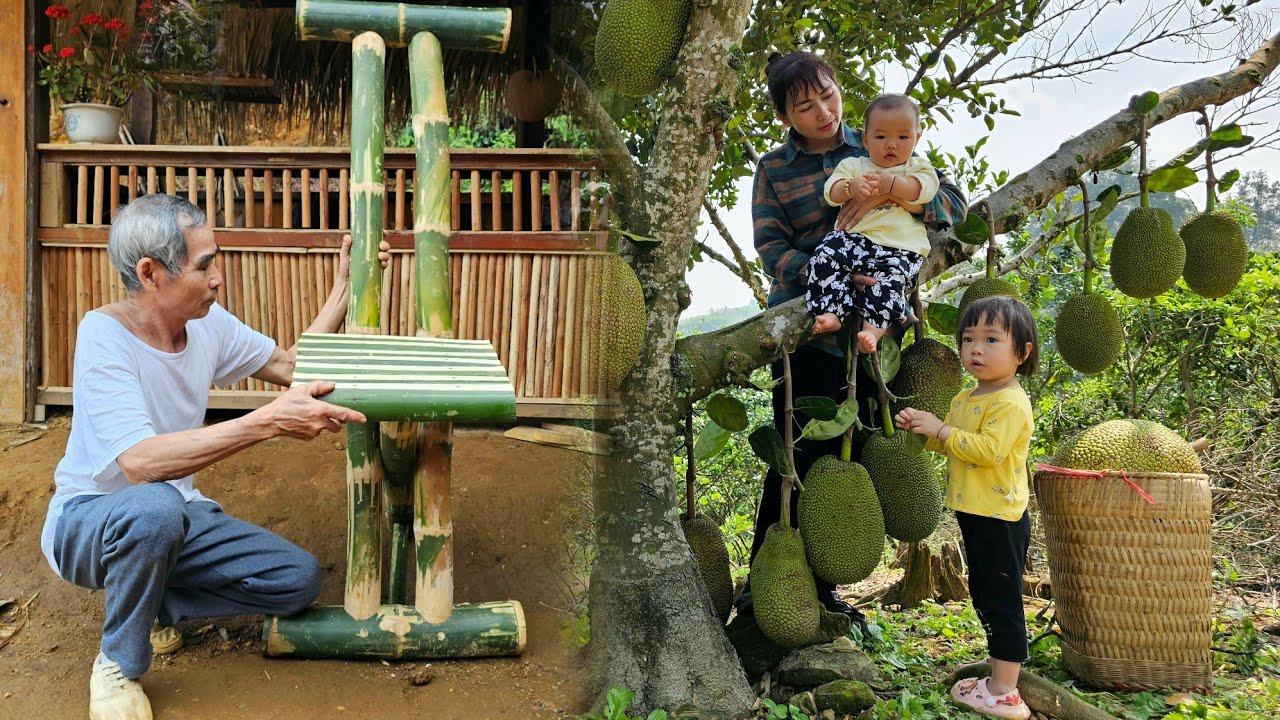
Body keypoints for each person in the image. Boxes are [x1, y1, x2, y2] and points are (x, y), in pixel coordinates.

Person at [40, 194, 390, 720]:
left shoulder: (207, 324)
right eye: (204, 264)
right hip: (89, 520)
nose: (217, 277)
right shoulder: (103, 335)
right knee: (154, 505)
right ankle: (117, 663)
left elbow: (290, 363)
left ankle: (156, 600)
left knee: (297, 580)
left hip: (175, 516)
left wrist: (344, 287)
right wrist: (267, 422)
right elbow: (140, 463)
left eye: (215, 258)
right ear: (150, 272)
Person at [743, 50, 967, 623]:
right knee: (796, 454)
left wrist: (895, 189)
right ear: (785, 117)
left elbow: (951, 204)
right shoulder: (773, 170)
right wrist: (833, 267)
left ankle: (824, 592)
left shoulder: (873, 145)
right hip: (809, 337)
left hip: (877, 335)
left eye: (828, 95)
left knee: (860, 450)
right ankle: (769, 587)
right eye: (804, 105)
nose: (822, 111)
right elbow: (771, 249)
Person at [894, 295, 1039, 720]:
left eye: (992, 339)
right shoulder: (965, 398)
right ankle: (996, 676)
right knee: (984, 592)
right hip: (975, 513)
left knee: (1001, 600)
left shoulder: (1010, 403)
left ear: (1022, 352)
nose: (976, 348)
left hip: (1001, 518)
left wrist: (942, 430)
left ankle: (1005, 693)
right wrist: (927, 429)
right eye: (968, 339)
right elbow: (958, 448)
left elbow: (989, 451)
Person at [808, 94, 937, 353]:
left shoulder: (917, 167)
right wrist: (850, 188)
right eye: (881, 137)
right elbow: (831, 192)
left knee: (890, 281)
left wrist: (892, 186)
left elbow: (924, 190)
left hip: (899, 247)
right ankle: (832, 312)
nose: (892, 145)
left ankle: (873, 329)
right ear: (865, 139)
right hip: (855, 241)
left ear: (917, 139)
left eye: (903, 137)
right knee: (824, 256)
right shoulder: (854, 165)